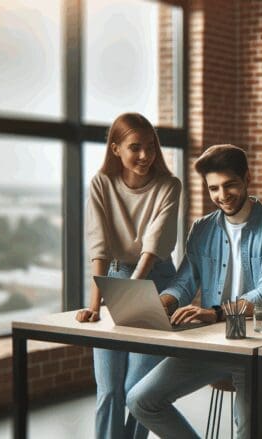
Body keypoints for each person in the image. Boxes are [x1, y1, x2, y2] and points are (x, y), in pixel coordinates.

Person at [126, 144, 262, 439]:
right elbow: (184, 281)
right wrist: (163, 302)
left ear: (247, 178)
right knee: (141, 400)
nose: (222, 195)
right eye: (213, 188)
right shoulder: (202, 229)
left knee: (248, 433)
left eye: (230, 184)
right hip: (214, 343)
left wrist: (216, 312)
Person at [76, 112, 181, 439]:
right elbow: (99, 246)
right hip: (114, 280)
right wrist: (95, 307)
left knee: (137, 389)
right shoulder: (100, 183)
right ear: (115, 148)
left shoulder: (168, 185)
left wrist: (131, 293)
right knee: (109, 389)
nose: (145, 155)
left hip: (156, 283)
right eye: (135, 147)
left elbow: (154, 244)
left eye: (150, 146)